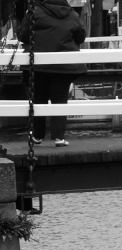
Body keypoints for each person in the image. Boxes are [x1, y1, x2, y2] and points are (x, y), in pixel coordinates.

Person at [19, 0, 87, 148]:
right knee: (60, 100)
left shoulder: (34, 11)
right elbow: (81, 37)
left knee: (38, 98)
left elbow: (23, 36)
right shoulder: (72, 14)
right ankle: (59, 137)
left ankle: (37, 136)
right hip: (63, 66)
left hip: (37, 65)